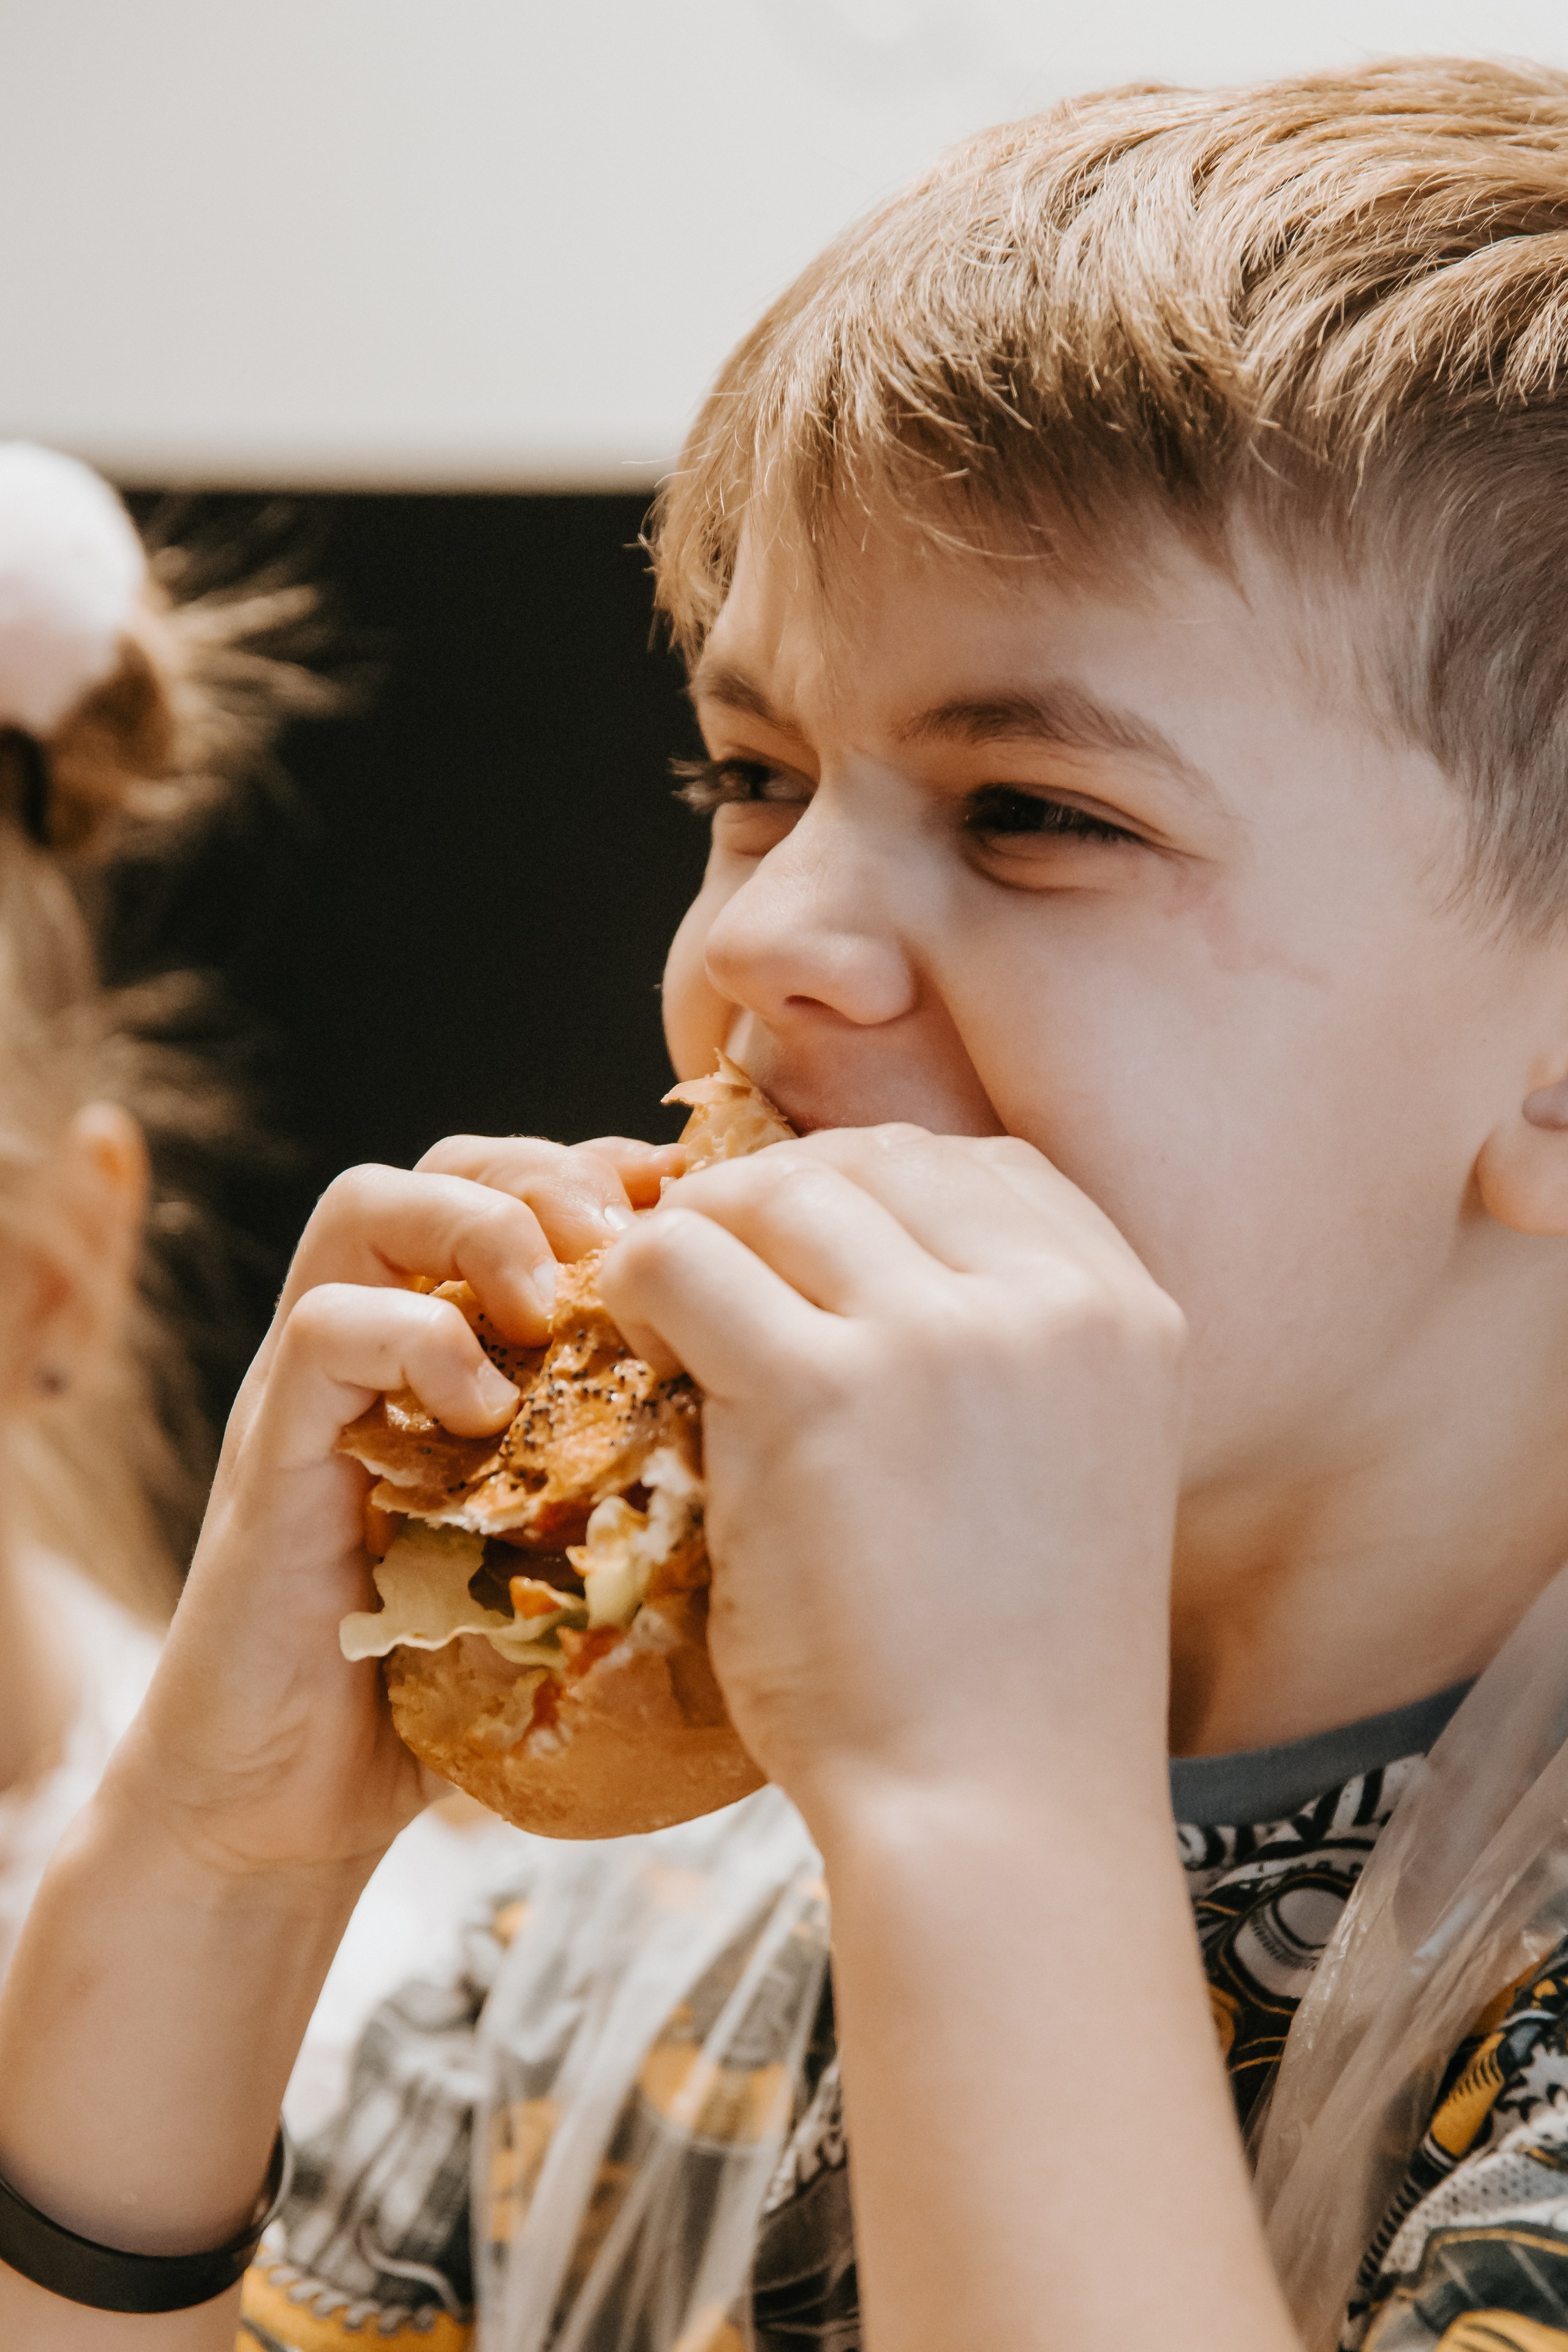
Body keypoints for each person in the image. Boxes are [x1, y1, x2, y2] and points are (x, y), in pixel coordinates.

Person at [14, 49, 1568, 2352]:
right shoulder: (643, 1887)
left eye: (1036, 808)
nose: (751, 941)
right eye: (753, 775)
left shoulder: (955, 1811)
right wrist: (220, 1854)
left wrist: (984, 1825)